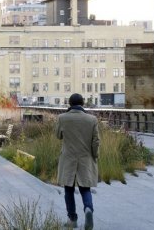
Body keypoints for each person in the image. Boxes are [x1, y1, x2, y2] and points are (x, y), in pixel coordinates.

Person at [55, 93, 99, 230]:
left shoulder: (62, 118)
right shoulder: (92, 119)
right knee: (85, 188)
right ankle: (88, 209)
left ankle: (72, 219)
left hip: (68, 158)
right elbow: (96, 141)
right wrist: (95, 156)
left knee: (68, 189)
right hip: (85, 158)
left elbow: (58, 136)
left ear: (69, 103)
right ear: (83, 103)